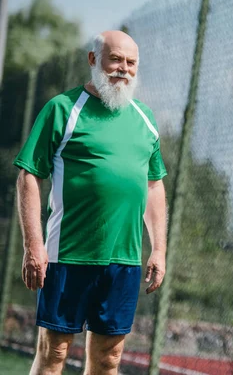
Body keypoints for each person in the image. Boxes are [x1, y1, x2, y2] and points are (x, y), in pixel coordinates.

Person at [14, 30, 168, 375]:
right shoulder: (62, 109)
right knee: (54, 353)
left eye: (131, 63)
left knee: (109, 358)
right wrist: (33, 245)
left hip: (123, 260)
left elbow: (154, 186)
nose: (123, 69)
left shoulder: (145, 118)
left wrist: (158, 249)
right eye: (115, 59)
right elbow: (28, 176)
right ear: (93, 60)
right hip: (67, 255)